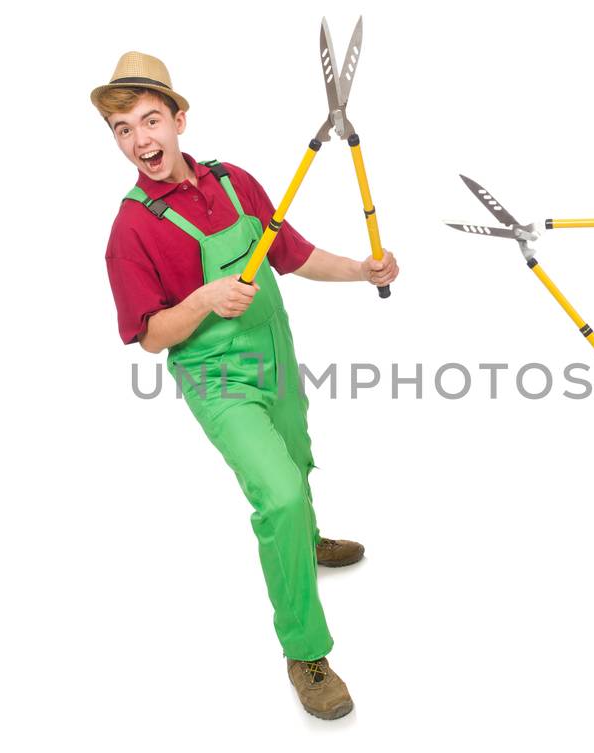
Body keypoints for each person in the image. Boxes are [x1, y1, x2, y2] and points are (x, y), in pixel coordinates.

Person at [94, 51, 398, 720]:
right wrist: (203, 299)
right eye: (122, 128)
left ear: (179, 118)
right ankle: (306, 650)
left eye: (150, 120)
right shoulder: (131, 230)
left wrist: (363, 269)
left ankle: (304, 540)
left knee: (295, 456)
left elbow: (290, 253)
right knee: (280, 494)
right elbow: (149, 335)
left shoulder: (235, 183)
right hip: (217, 378)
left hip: (275, 354)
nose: (140, 140)